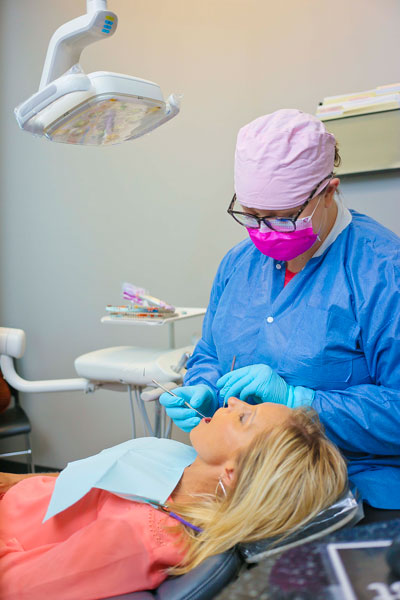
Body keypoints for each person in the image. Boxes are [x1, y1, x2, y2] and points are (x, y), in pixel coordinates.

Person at [160, 109, 400, 516]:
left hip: (351, 490)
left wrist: (302, 402)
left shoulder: (382, 272)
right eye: (252, 216)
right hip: (245, 491)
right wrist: (201, 389)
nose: (265, 232)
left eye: (283, 217)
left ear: (329, 191)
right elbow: (210, 354)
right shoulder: (238, 265)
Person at [0, 399, 346, 599]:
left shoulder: (143, 537)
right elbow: (87, 482)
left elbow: (14, 586)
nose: (232, 401)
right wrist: (15, 482)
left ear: (231, 473)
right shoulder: (178, 461)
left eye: (244, 417)